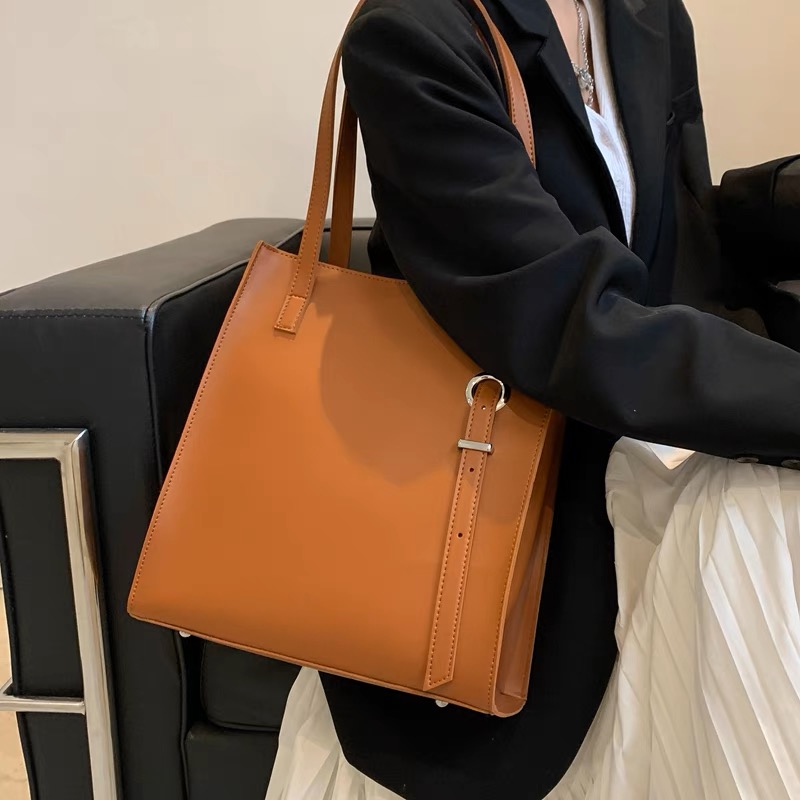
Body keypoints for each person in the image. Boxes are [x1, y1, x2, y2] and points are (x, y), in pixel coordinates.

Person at [266, 0, 800, 798]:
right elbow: (562, 318)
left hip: (638, 441)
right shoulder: (414, 32)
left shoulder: (645, 13)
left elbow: (675, 243)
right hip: (506, 511)